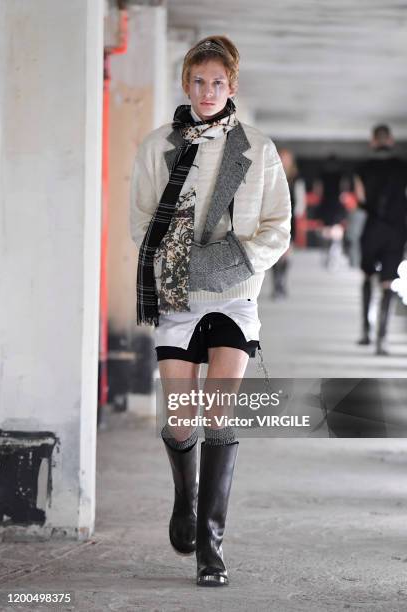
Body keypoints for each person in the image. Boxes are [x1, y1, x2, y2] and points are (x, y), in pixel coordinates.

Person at [130, 35, 291, 586]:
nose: (207, 91)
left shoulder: (259, 149)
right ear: (186, 84)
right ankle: (186, 499)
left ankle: (210, 546)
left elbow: (278, 227)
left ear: (232, 86)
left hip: (235, 294)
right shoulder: (157, 146)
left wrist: (230, 263)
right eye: (198, 81)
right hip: (176, 296)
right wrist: (183, 267)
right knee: (180, 421)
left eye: (217, 82)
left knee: (219, 414)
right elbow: (141, 222)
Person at [354, 124, 407, 355]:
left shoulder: (362, 168)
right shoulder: (403, 168)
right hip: (396, 230)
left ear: (373, 141)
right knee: (388, 283)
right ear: (391, 141)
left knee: (367, 276)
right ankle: (381, 340)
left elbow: (360, 199)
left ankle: (366, 331)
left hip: (373, 227)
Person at [271, 148, 305, 299]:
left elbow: (300, 200)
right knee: (273, 252)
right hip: (271, 216)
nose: (283, 160)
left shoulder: (296, 179)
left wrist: (294, 215)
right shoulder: (271, 173)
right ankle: (277, 283)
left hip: (289, 219)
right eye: (281, 157)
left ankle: (282, 282)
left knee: (286, 252)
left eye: (286, 158)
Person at [314, 154, 348, 270]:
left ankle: (328, 251)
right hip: (336, 205)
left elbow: (317, 191)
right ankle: (334, 250)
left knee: (326, 230)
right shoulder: (340, 175)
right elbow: (344, 191)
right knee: (336, 230)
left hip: (325, 204)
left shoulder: (322, 175)